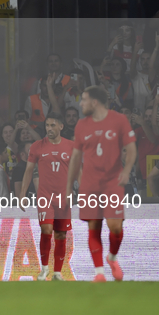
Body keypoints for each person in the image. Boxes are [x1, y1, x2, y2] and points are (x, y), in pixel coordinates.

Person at [66, 86, 137, 282]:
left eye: (84, 100)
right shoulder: (81, 125)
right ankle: (99, 273)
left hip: (113, 182)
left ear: (94, 102)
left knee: (115, 226)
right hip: (89, 184)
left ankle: (112, 258)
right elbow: (75, 158)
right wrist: (68, 187)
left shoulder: (119, 120)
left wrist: (126, 171)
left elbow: (131, 149)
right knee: (94, 225)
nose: (81, 104)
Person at [20, 113, 73, 281]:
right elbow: (28, 171)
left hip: (64, 198)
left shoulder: (71, 146)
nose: (49, 129)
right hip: (45, 196)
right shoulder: (37, 146)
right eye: (47, 125)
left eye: (52, 125)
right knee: (46, 229)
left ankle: (57, 272)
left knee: (61, 234)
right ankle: (44, 269)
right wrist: (22, 194)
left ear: (61, 127)